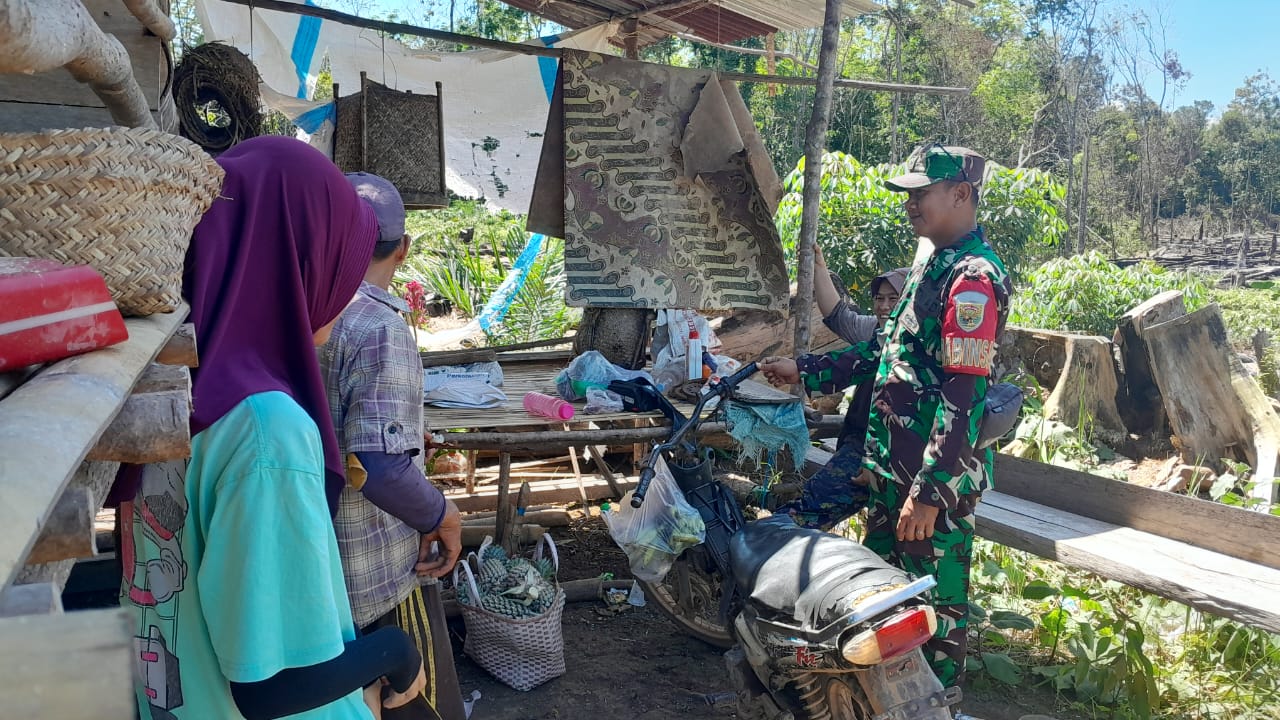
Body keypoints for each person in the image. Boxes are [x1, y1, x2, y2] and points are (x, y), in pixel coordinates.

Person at [118, 137, 427, 720]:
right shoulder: (267, 431)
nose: (346, 287)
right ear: (297, 260)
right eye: (338, 259)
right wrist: (394, 650)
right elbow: (270, 688)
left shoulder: (168, 388)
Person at [319, 172, 467, 720]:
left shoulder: (307, 309)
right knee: (398, 696)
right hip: (370, 572)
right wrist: (443, 514)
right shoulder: (378, 326)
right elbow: (376, 467)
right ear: (402, 248)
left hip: (316, 559)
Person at [862, 144, 1011, 687]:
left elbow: (963, 394)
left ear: (961, 194)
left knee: (932, 613)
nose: (910, 204)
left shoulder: (972, 278)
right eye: (909, 194)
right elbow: (892, 353)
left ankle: (939, 702)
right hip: (894, 470)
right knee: (881, 602)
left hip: (931, 484)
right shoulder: (931, 263)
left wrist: (929, 493)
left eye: (921, 193)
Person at [758, 256, 908, 530]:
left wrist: (800, 369)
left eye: (893, 298)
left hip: (895, 456)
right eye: (879, 298)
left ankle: (769, 538)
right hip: (863, 447)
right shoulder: (876, 332)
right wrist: (818, 267)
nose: (884, 306)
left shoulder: (915, 346)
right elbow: (839, 317)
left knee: (807, 514)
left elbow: (848, 366)